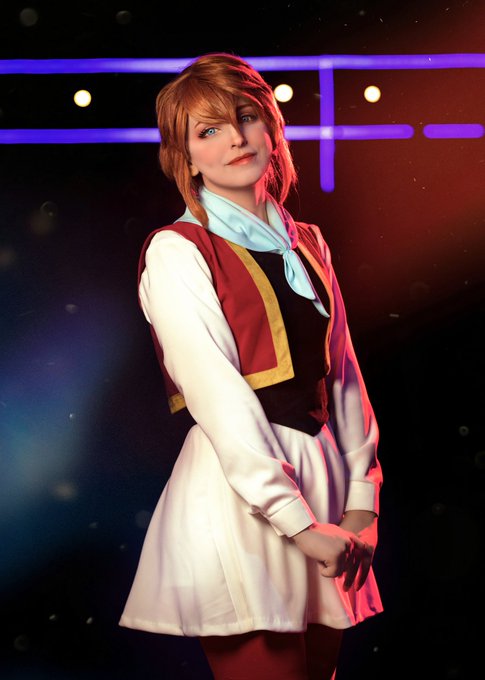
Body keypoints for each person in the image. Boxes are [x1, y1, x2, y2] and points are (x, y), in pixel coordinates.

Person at [119, 52, 383, 680]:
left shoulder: (308, 241)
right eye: (208, 130)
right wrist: (299, 524)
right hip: (241, 497)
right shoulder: (177, 250)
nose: (235, 139)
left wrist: (362, 506)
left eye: (245, 117)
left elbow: (343, 378)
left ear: (272, 127)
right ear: (185, 157)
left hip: (323, 486)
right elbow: (218, 400)